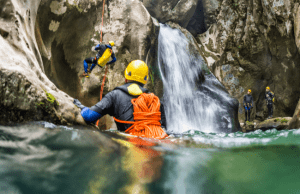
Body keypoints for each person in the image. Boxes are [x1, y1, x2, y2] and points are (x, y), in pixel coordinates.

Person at [74, 60, 167, 137]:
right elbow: (163, 129)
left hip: (131, 146)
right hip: (157, 145)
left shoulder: (115, 95)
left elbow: (89, 116)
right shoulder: (155, 100)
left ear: (126, 76)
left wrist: (81, 107)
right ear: (145, 80)